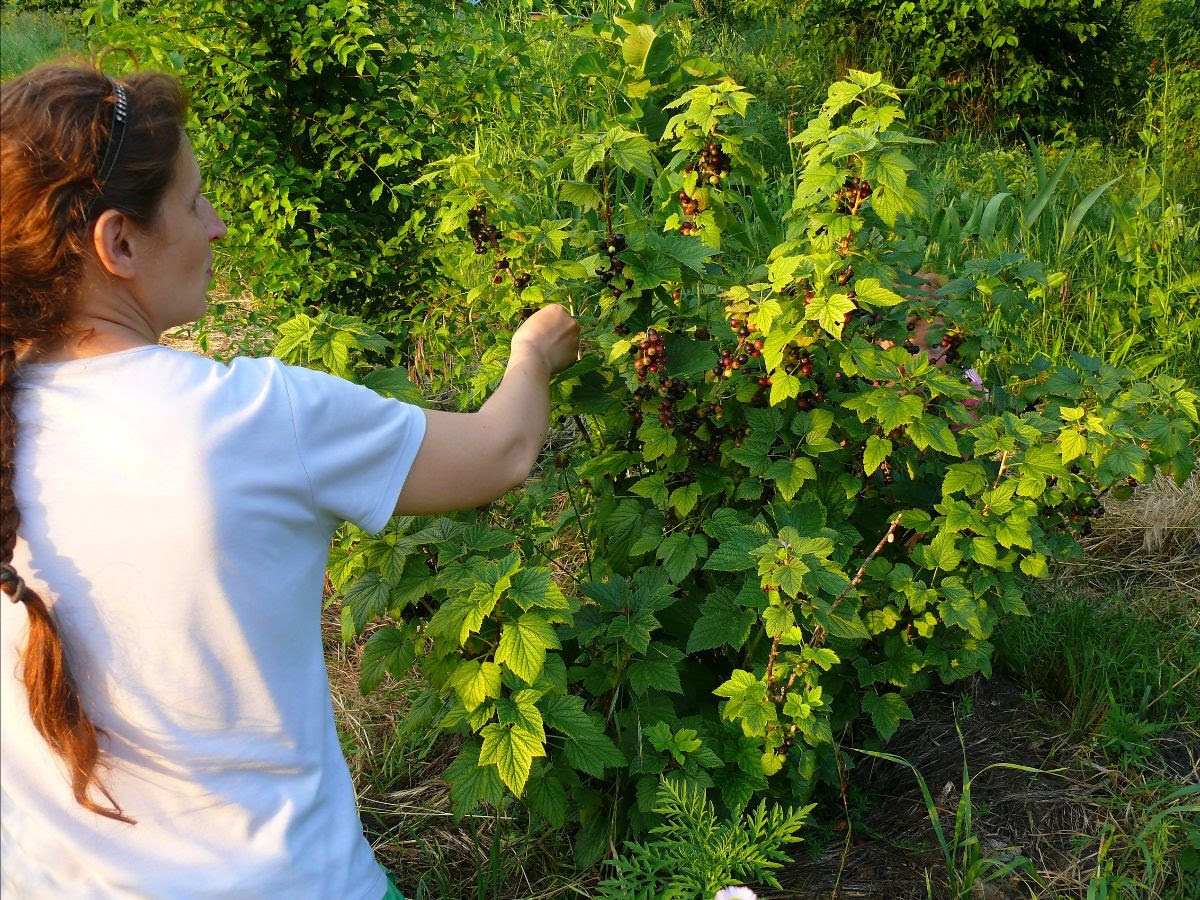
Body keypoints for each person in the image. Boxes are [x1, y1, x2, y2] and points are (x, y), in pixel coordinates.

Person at [0, 63, 579, 898]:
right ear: (118, 243)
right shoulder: (254, 420)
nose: (219, 226)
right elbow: (501, 452)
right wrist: (533, 354)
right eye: (196, 203)